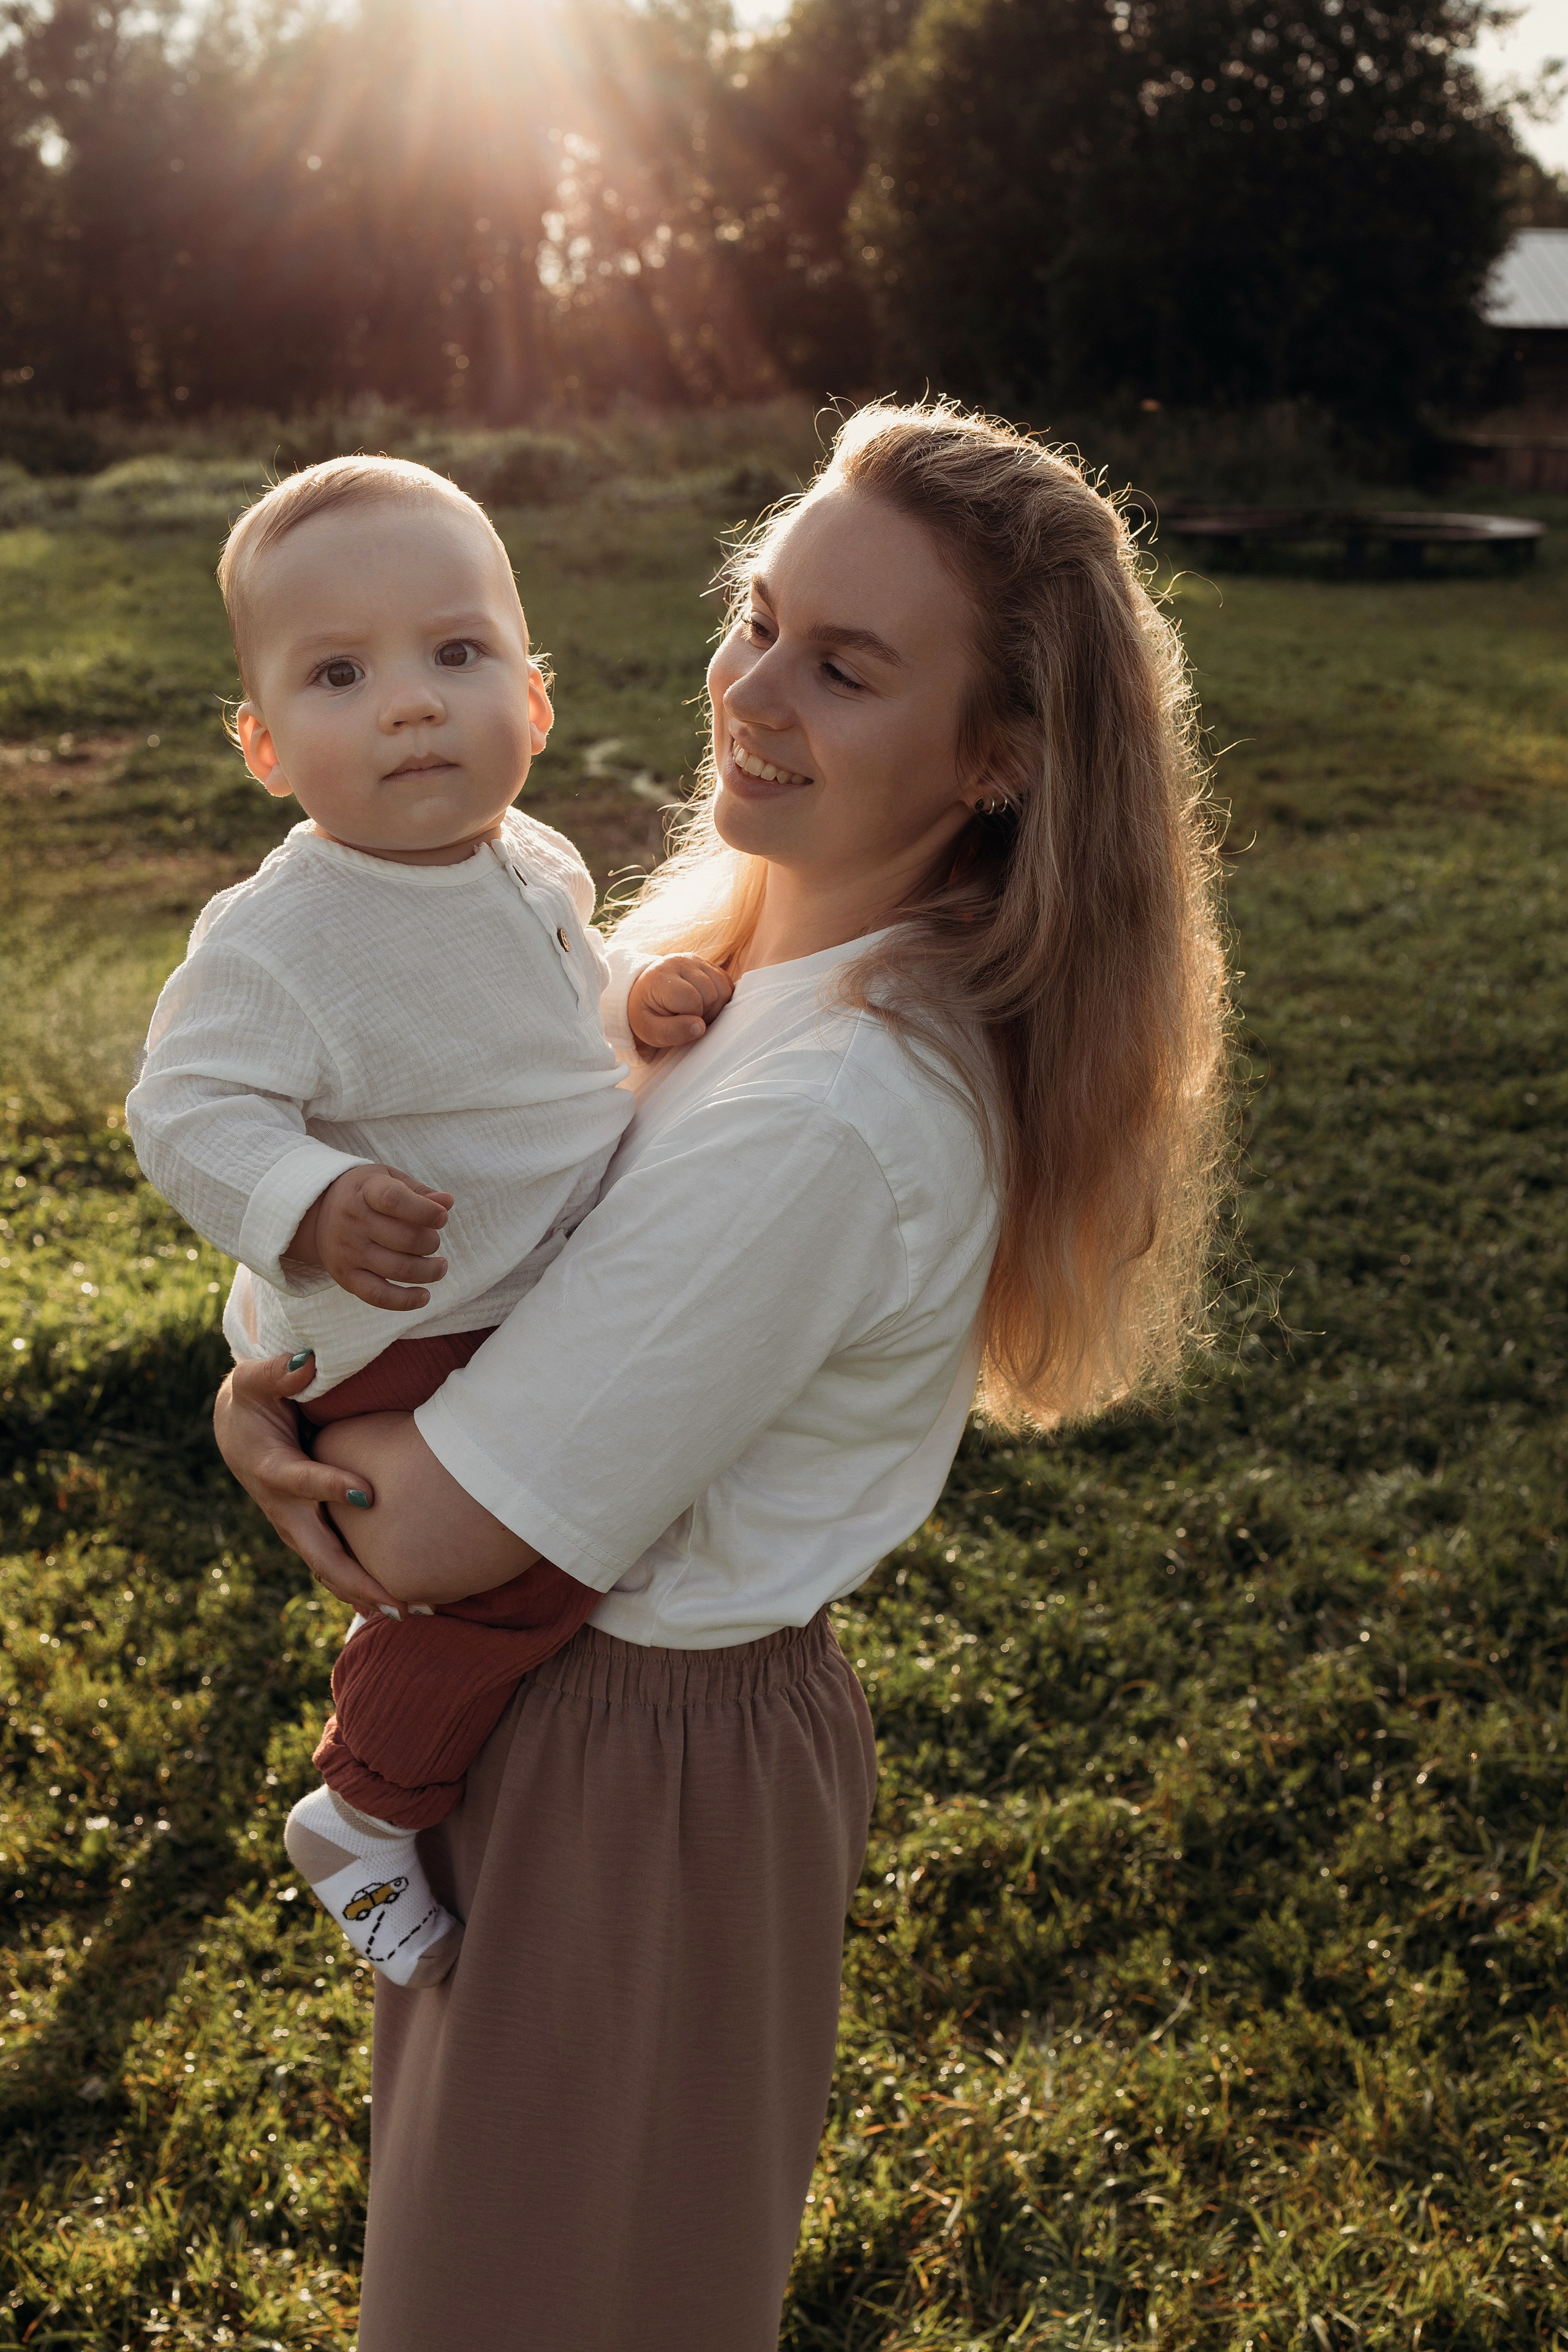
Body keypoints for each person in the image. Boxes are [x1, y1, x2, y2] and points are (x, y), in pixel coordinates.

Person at [214, 399, 1231, 2352]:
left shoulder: (837, 1105)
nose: (751, 688)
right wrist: (251, 1387)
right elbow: (428, 1233)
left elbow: (418, 1531)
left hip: (634, 1770)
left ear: (1003, 755)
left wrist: (291, 1422)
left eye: (843, 668)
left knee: (540, 2307)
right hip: (564, 1732)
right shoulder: (721, 977)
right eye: (760, 616)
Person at [127, 454, 731, 1987]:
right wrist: (312, 1202)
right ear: (264, 748)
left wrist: (627, 1001)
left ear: (530, 702)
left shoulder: (530, 860)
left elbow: (535, 1012)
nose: (409, 703)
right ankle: (366, 1802)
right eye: (340, 673)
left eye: (453, 655)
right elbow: (184, 1113)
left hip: (504, 1289)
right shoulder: (285, 934)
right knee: (526, 1555)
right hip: (401, 1326)